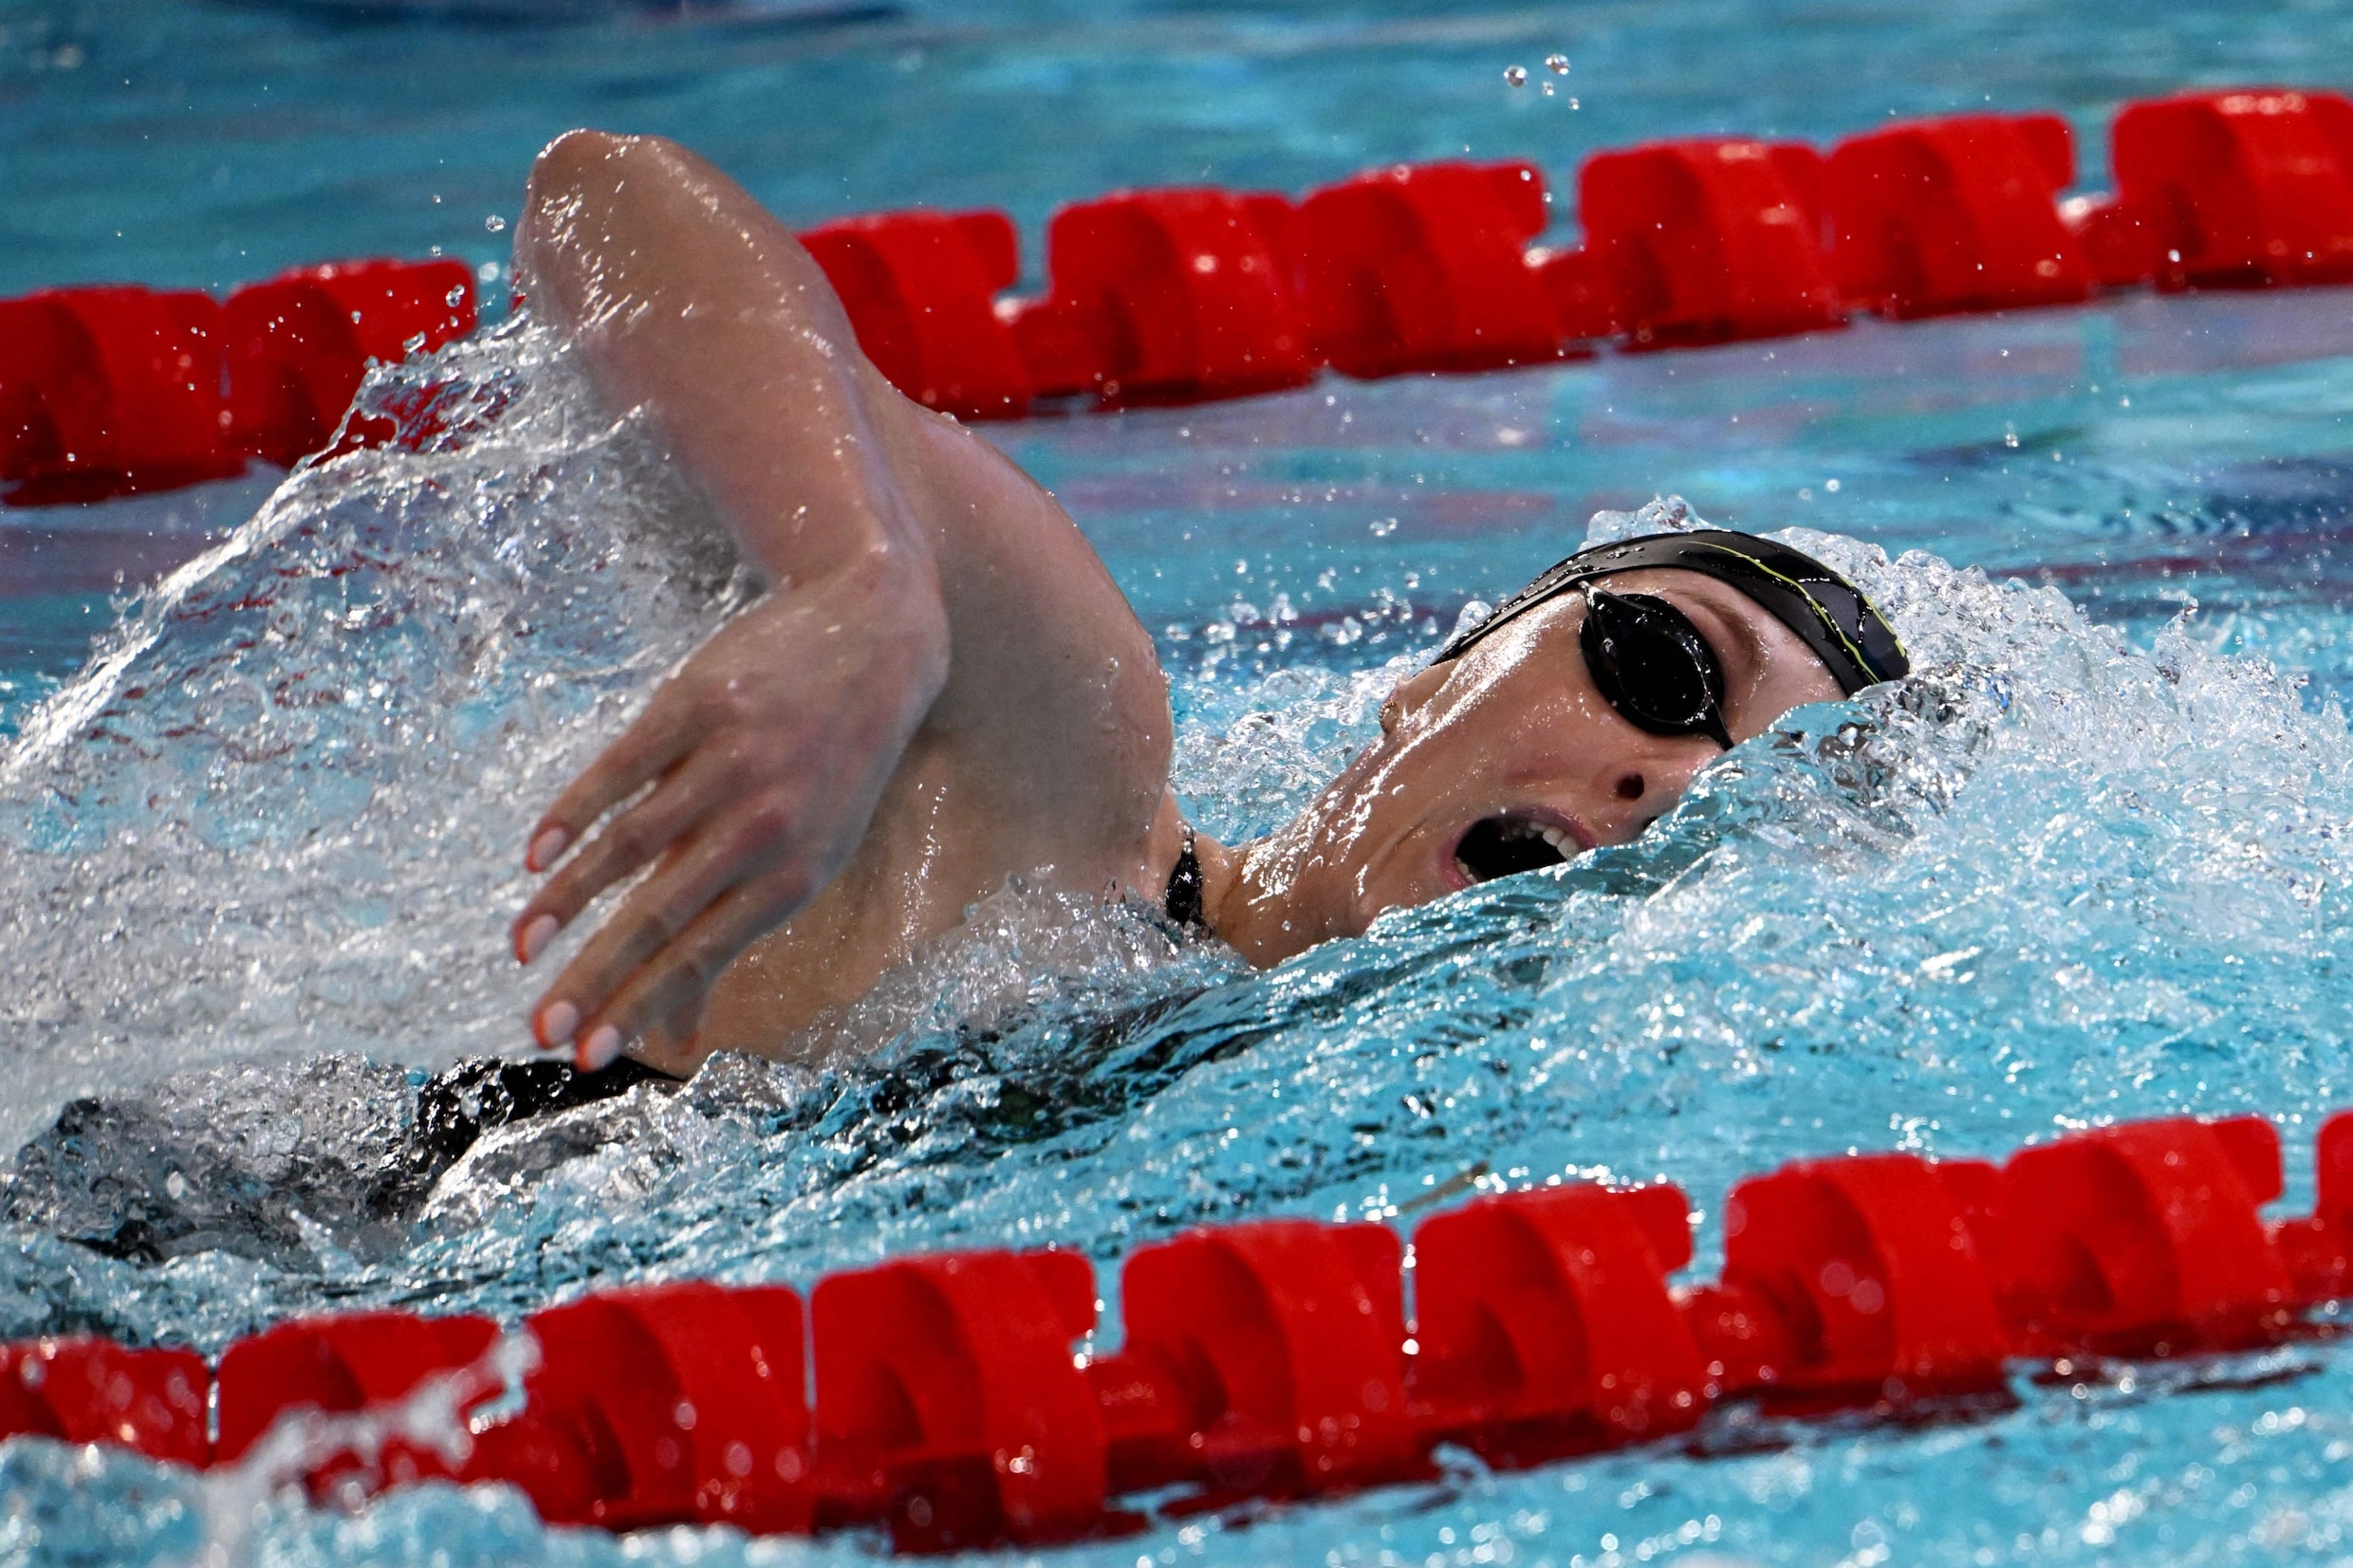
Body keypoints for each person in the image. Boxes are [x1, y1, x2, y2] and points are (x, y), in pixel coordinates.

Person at [503, 130, 1911, 1084]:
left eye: (1743, 800)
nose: (1657, 781)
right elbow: (603, 199)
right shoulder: (1061, 780)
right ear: (1440, 669)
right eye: (1661, 667)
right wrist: (859, 581)